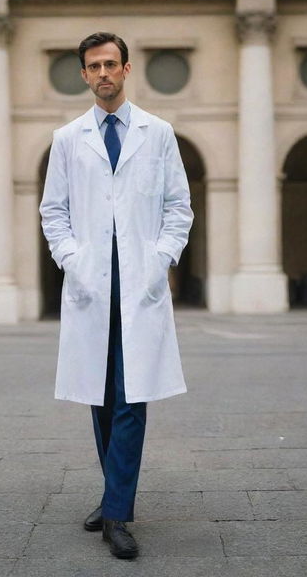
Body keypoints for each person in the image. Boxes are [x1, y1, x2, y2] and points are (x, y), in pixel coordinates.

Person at [40, 32, 193, 559]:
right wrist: (72, 261)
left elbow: (179, 207)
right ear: (83, 76)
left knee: (131, 398)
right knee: (100, 396)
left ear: (127, 70)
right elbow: (52, 211)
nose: (103, 73)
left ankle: (117, 515)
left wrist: (160, 260)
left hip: (140, 285)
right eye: (93, 66)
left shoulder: (160, 134)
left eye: (111, 64)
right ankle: (113, 496)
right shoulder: (67, 139)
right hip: (91, 285)